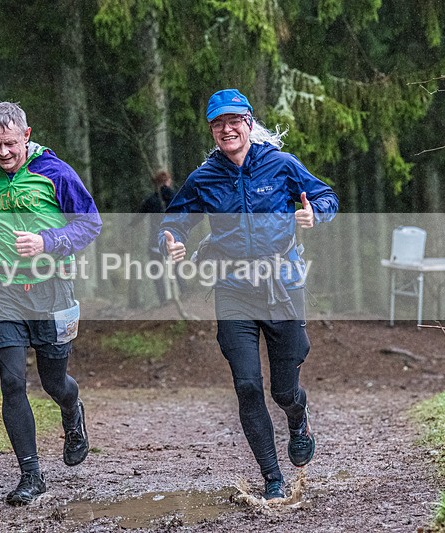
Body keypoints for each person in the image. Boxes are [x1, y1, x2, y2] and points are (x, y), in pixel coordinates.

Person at [158, 88, 339, 500]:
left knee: (283, 390)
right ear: (212, 131)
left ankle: (298, 418)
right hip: (234, 289)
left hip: (282, 286)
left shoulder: (280, 165)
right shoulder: (204, 177)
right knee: (246, 385)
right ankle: (272, 477)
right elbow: (175, 221)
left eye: (234, 121)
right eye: (218, 123)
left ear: (249, 124)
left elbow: (328, 196)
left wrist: (316, 213)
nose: (227, 129)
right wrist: (170, 239)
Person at [0, 102, 102, 506]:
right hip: (4, 290)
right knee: (11, 382)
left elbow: (90, 223)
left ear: (26, 136)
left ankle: (71, 410)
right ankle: (31, 474)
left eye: (8, 143)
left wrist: (48, 242)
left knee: (54, 382)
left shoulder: (56, 173)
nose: (2, 152)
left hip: (52, 288)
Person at [137, 169, 183, 305]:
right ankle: (184, 293)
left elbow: (138, 216)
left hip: (156, 240)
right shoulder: (176, 197)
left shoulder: (151, 200)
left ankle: (163, 300)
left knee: (156, 271)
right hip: (174, 238)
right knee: (178, 266)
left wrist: (131, 225)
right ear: (168, 181)